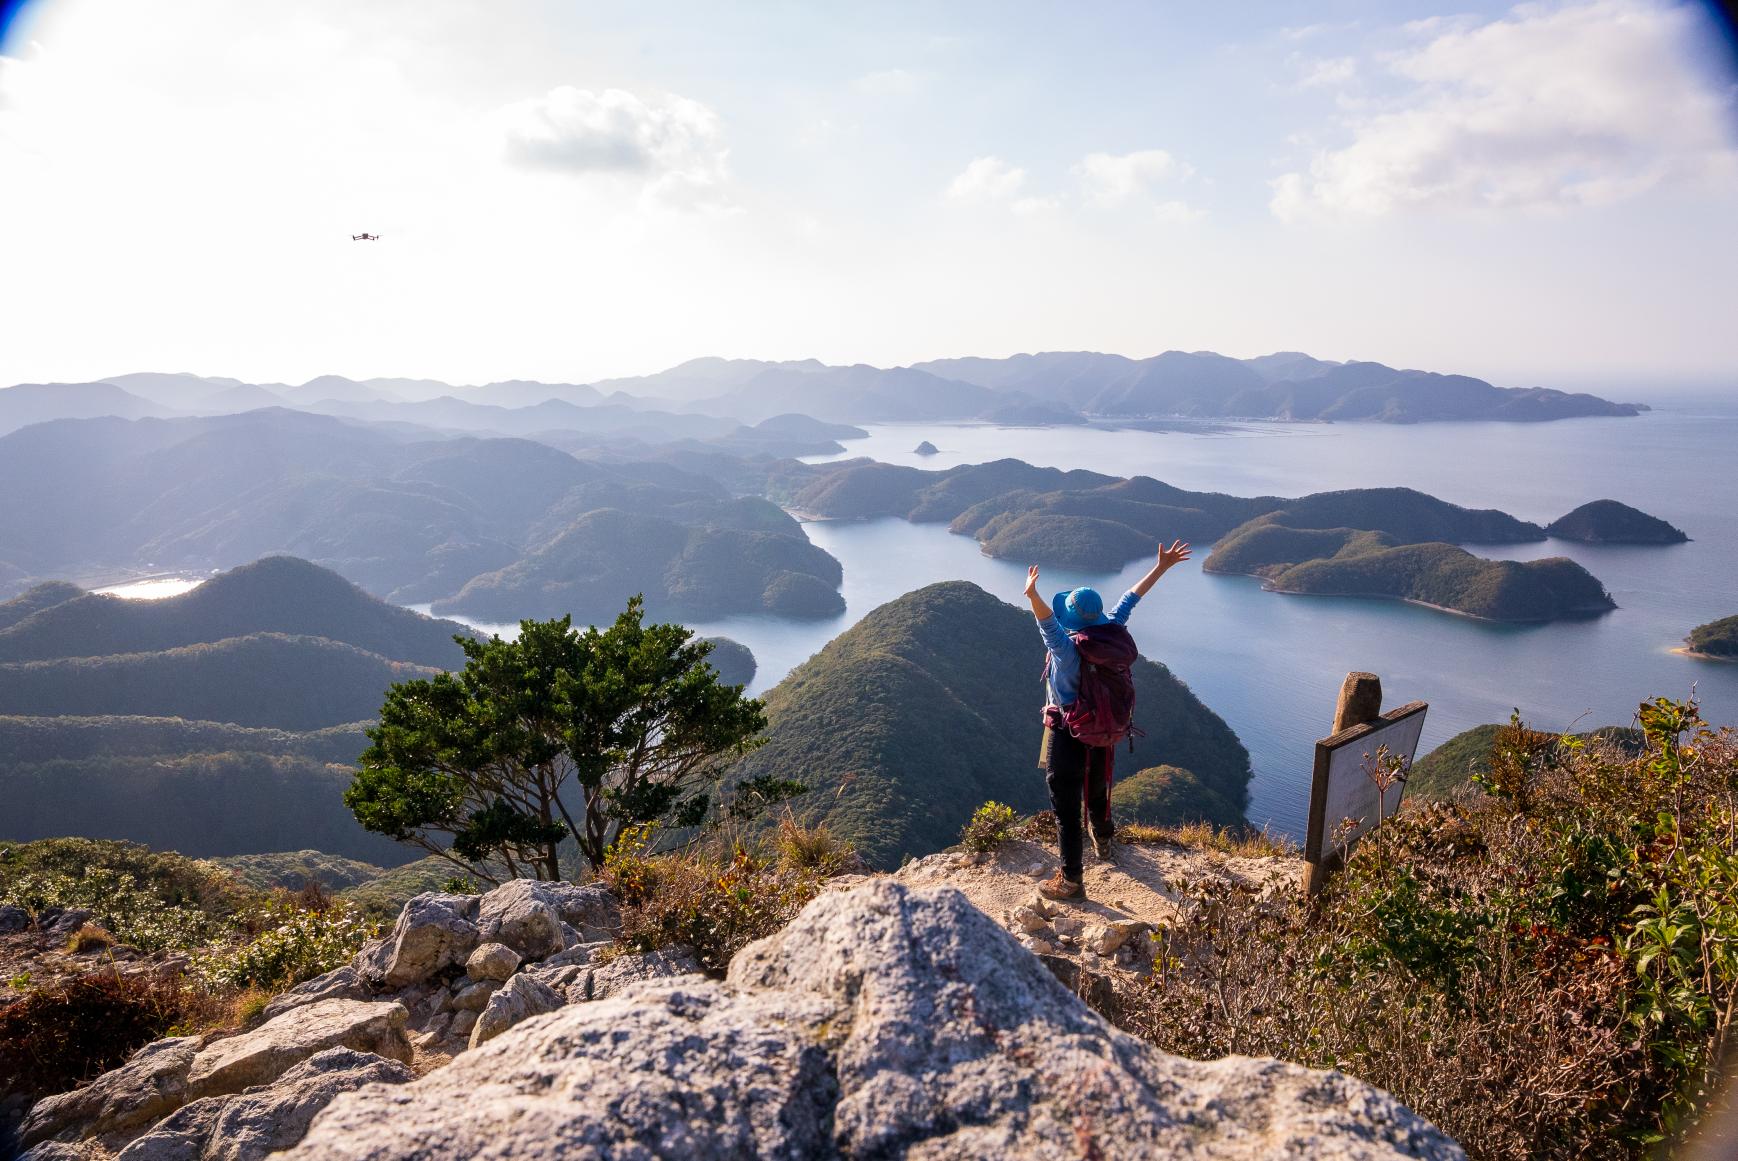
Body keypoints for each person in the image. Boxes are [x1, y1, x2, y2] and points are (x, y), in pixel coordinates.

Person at [1023, 540, 1191, 900]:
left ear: (1071, 616)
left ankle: (1070, 881)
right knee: (1097, 788)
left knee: (1066, 808)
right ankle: (1104, 841)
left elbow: (1047, 624)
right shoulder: (1111, 631)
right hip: (1105, 728)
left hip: (1068, 730)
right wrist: (1161, 567)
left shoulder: (1067, 649)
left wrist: (1032, 594)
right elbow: (1129, 600)